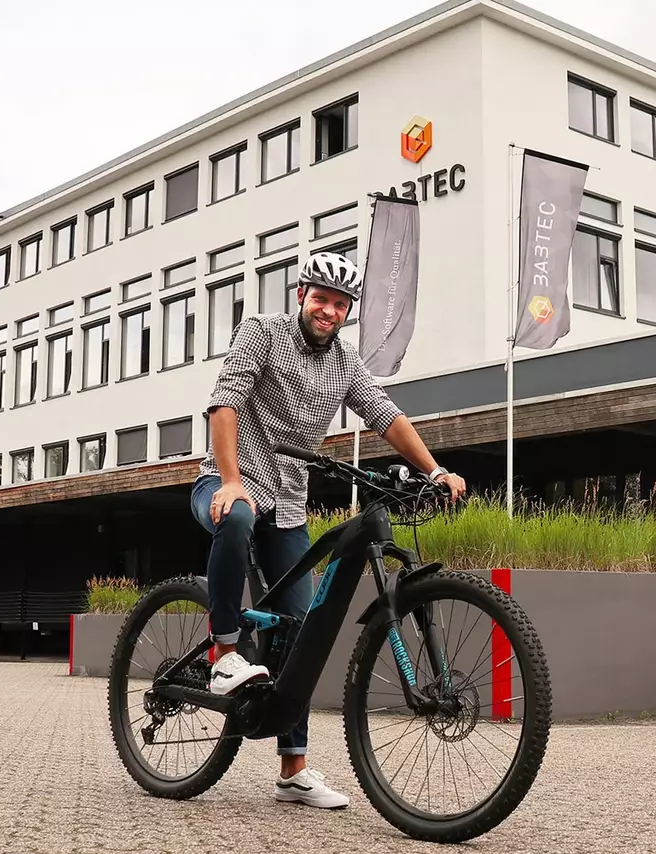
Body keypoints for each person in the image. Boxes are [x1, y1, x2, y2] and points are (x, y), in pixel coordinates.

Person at [190, 251, 467, 810]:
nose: (330, 310)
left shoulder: (344, 362)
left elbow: (384, 414)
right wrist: (229, 479)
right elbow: (223, 405)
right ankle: (223, 655)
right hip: (228, 484)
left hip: (290, 503)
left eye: (340, 304)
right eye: (321, 298)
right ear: (301, 295)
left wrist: (433, 469)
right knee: (239, 517)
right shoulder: (260, 333)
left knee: (301, 625)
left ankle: (293, 771)